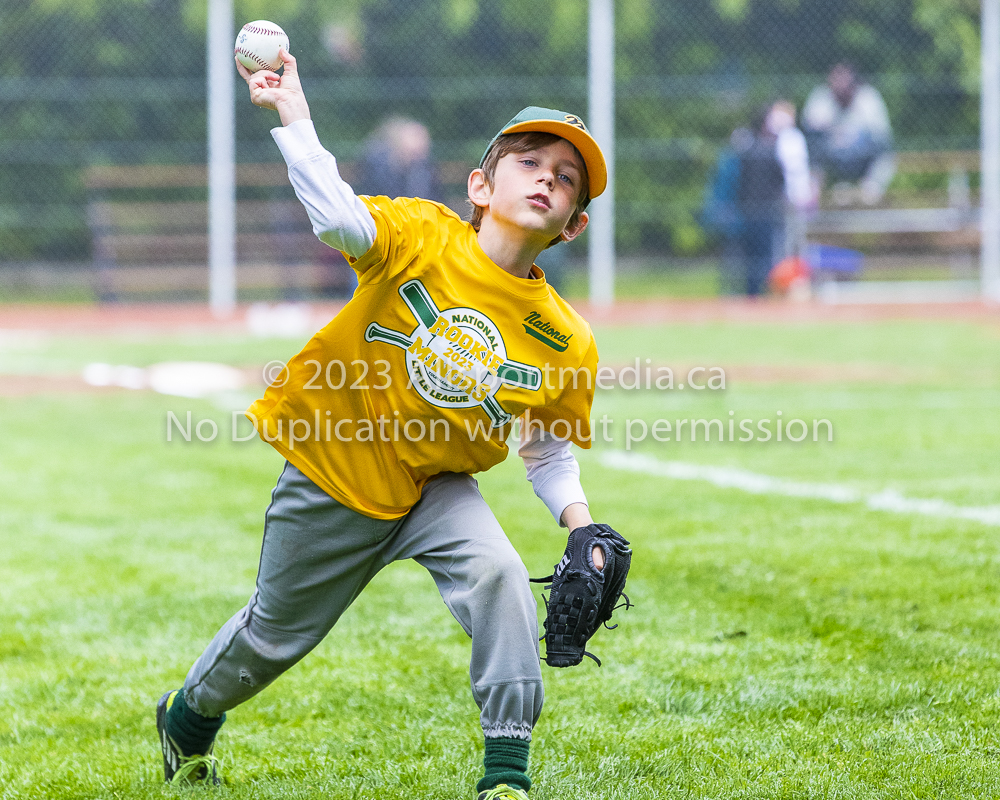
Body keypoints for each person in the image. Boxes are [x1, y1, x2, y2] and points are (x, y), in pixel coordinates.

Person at [154, 47, 617, 800]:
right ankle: (188, 717)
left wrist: (581, 526)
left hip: (436, 489)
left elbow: (547, 450)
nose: (547, 179)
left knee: (499, 574)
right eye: (530, 162)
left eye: (566, 179)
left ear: (574, 224)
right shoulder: (422, 237)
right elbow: (336, 215)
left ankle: (506, 775)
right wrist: (290, 106)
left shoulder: (565, 337)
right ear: (481, 184)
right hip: (336, 471)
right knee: (272, 638)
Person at [731, 101, 812, 296]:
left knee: (751, 257)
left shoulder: (747, 149)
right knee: (767, 255)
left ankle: (753, 293)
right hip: (768, 209)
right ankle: (768, 292)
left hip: (749, 209)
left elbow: (739, 181)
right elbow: (780, 179)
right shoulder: (769, 150)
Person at [802, 62, 895, 206]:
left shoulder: (868, 97)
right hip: (832, 152)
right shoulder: (822, 96)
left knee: (884, 151)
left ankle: (872, 188)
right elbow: (811, 127)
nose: (839, 85)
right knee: (813, 144)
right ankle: (814, 188)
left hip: (861, 154)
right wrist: (834, 133)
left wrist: (850, 137)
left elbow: (881, 134)